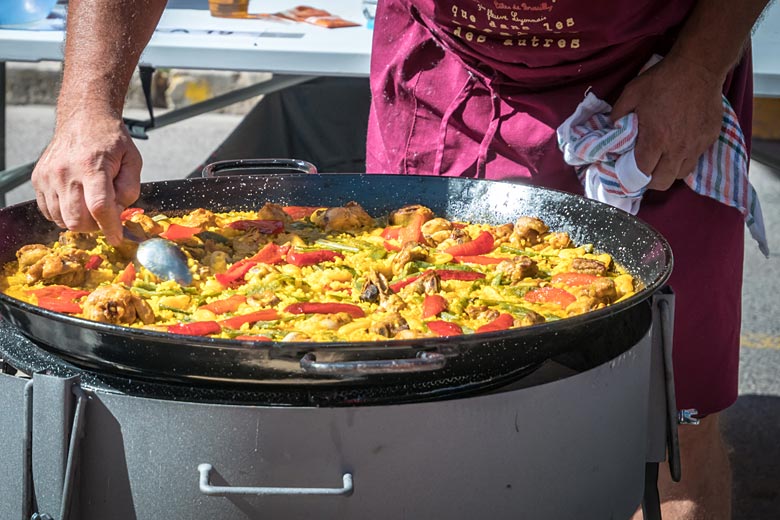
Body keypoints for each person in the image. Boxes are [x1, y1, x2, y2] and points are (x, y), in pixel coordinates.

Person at [31, 0, 769, 518]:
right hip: (449, 76)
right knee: (398, 404)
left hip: (653, 81)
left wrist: (700, 69)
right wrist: (86, 106)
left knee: (674, 414)